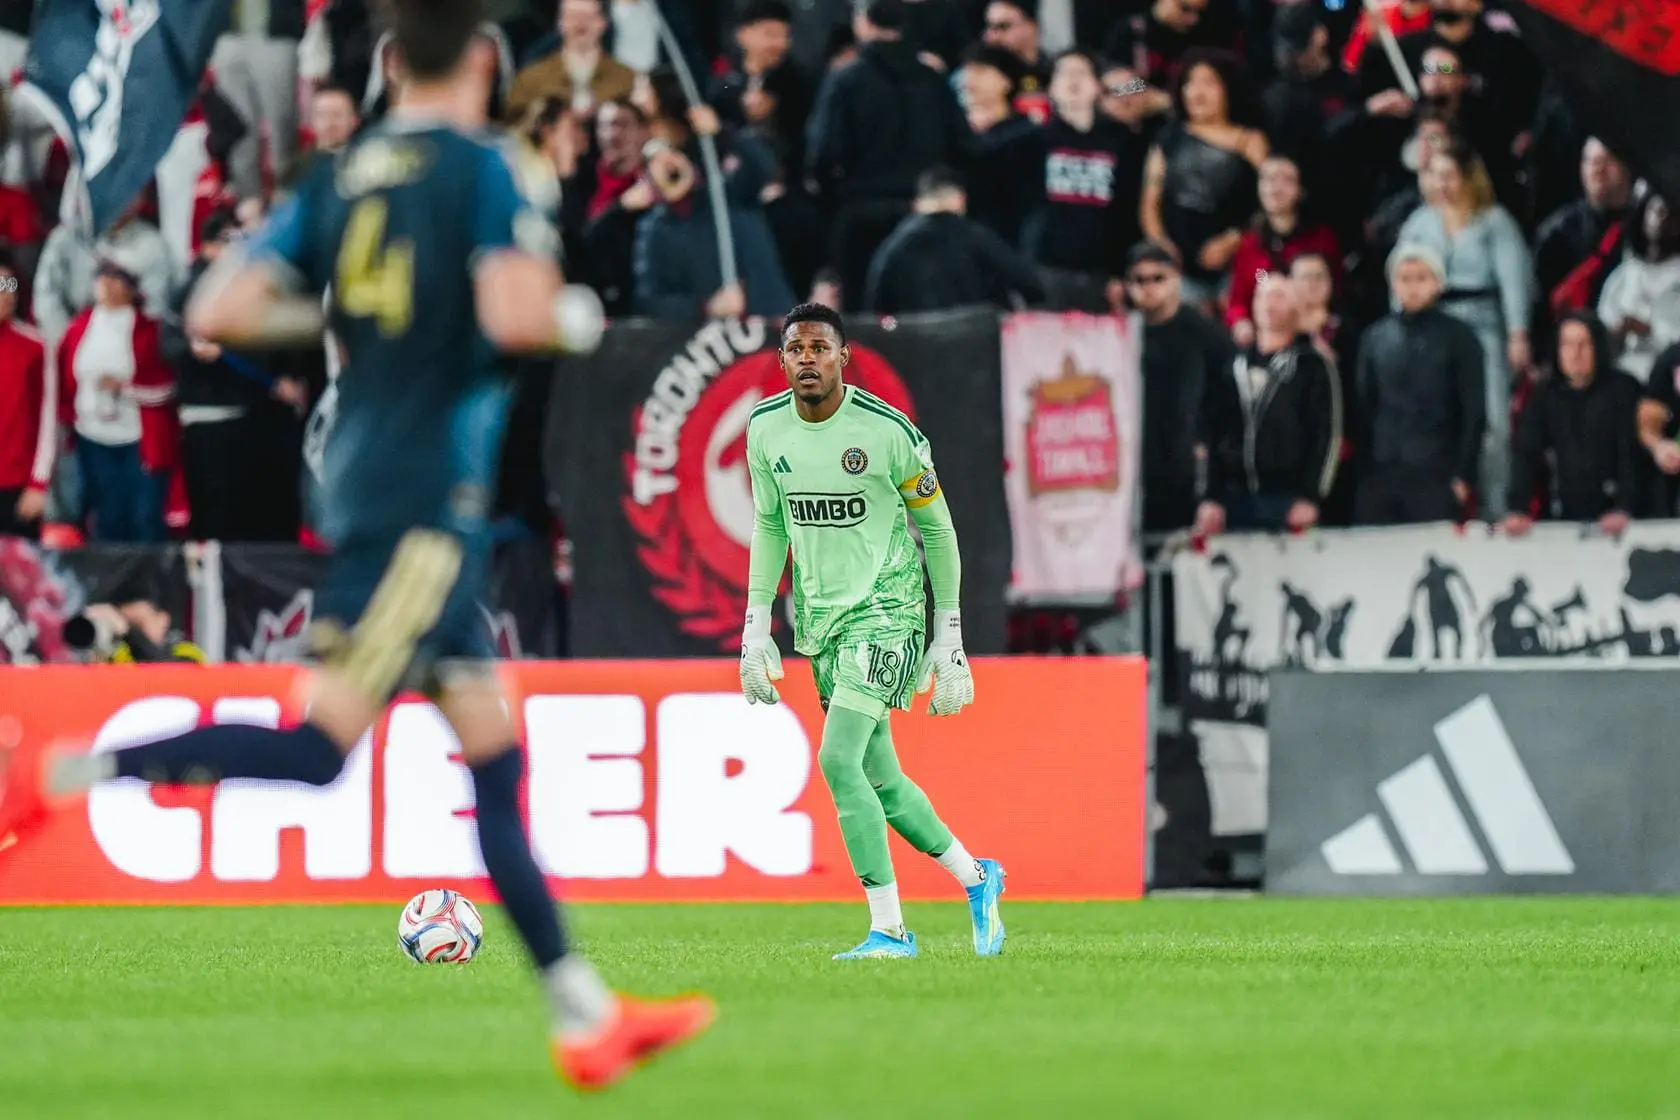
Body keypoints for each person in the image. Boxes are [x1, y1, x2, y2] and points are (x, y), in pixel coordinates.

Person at [0, 0, 712, 1092]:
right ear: (483, 59)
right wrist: (571, 316)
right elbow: (519, 316)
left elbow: (222, 305)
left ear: (385, 63)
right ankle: (55, 775)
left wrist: (360, 323)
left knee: (495, 755)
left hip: (371, 478)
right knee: (321, 749)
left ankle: (586, 1017)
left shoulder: (340, 174)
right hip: (424, 499)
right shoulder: (491, 168)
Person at [739, 301, 1004, 961]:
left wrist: (949, 639)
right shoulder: (765, 430)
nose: (808, 359)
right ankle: (978, 880)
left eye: (820, 348)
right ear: (782, 361)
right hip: (821, 620)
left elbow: (938, 530)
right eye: (796, 348)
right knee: (882, 782)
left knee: (836, 759)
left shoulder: (889, 432)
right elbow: (771, 525)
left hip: (889, 611)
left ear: (842, 357)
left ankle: (890, 930)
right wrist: (755, 628)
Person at [1396, 138, 1532, 516]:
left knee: (1492, 423)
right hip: (1432, 326)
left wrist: (1518, 332)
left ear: (1469, 179)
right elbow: (1401, 274)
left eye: (1450, 176)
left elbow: (1513, 280)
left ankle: (1498, 508)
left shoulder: (1493, 221)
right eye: (1435, 176)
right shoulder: (1419, 222)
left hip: (1482, 323)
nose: (1442, 184)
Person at [1196, 274, 1341, 533]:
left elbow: (1327, 435)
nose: (1269, 304)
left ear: (1296, 306)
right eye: (1262, 296)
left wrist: (1311, 497)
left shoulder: (1313, 365)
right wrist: (1210, 496)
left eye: (1279, 296)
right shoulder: (1232, 365)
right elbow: (1211, 433)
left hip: (1288, 500)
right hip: (1233, 498)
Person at [1354, 242, 1486, 524]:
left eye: (1421, 278)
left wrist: (1464, 475)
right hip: (1382, 472)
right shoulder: (1375, 337)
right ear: (1392, 284)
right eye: (1404, 279)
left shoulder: (1460, 337)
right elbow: (1364, 408)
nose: (1413, 287)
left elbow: (1473, 412)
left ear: (1438, 283)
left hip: (1436, 472)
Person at [1139, 49, 1267, 306]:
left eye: (1209, 82)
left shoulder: (1250, 141)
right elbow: (1150, 203)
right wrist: (1161, 246)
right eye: (1190, 83)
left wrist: (1234, 240)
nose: (1197, 91)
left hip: (1239, 265)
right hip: (1180, 268)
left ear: (1227, 89)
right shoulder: (1167, 138)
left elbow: (1272, 201)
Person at [1502, 311, 1638, 535]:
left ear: (1598, 348)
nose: (1575, 354)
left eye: (1584, 345)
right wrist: (1518, 508)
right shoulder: (1544, 394)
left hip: (1618, 513)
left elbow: (1631, 455)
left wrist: (1624, 506)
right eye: (1567, 345)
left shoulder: (1624, 390)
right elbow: (1525, 452)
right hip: (1563, 510)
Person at [862, 166, 1044, 313]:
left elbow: (875, 306)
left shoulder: (892, 246)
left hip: (914, 345)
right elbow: (1030, 284)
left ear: (917, 204)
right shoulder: (977, 237)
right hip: (974, 342)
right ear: (961, 200)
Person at [1596, 191, 1680, 384]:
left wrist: (1649, 330)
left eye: (1670, 212)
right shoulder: (1626, 272)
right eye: (1654, 210)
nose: (1661, 217)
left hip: (1668, 381)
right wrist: (1616, 332)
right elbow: (1602, 324)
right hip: (1622, 374)